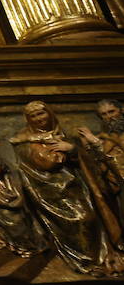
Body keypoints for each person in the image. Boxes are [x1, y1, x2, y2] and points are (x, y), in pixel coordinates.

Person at [10, 100, 122, 275]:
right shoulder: (23, 139)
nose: (39, 119)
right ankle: (86, 261)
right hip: (49, 192)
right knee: (83, 218)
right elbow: (47, 163)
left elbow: (85, 157)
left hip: (77, 187)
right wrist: (63, 153)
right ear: (28, 119)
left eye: (41, 113)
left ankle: (102, 257)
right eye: (33, 116)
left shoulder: (63, 133)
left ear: (50, 113)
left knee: (94, 215)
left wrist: (72, 149)